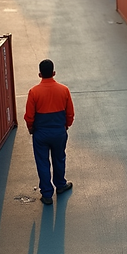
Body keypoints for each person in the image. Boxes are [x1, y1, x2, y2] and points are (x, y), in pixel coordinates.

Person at [24, 59, 75, 205]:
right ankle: (60, 185)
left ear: (40, 74)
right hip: (59, 132)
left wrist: (31, 128)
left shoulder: (34, 92)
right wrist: (66, 126)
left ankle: (46, 194)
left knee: (42, 162)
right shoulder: (64, 90)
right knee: (59, 158)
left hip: (41, 134)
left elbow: (29, 116)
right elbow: (70, 113)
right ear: (54, 73)